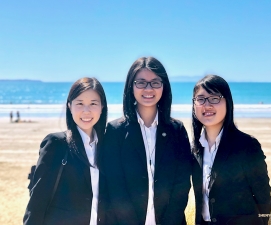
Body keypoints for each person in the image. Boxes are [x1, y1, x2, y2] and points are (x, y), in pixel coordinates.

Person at [103, 57, 192, 225]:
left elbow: (181, 185)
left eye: (155, 82)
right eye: (141, 82)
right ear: (131, 86)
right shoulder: (115, 131)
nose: (148, 89)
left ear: (164, 86)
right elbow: (115, 187)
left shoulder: (177, 130)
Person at [23, 77, 109, 225]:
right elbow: (37, 202)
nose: (86, 111)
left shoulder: (108, 146)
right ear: (70, 106)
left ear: (102, 107)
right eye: (80, 103)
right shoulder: (56, 144)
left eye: (93, 103)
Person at [191, 75, 271, 225]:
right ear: (194, 104)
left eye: (214, 98)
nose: (207, 105)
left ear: (227, 102)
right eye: (200, 99)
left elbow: (264, 197)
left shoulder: (247, 146)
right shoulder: (195, 150)